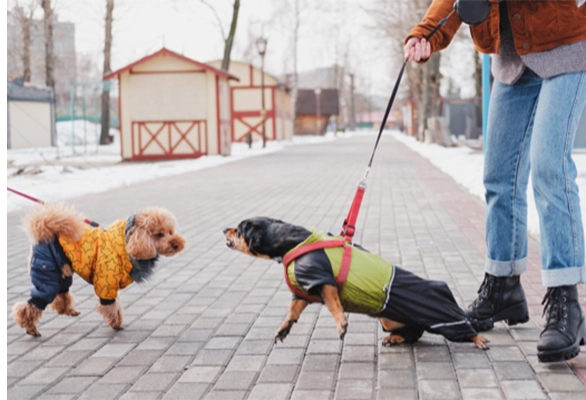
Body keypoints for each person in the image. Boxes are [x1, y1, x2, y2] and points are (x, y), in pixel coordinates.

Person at [404, 0, 586, 362]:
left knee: (550, 164)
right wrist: (426, 32)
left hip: (565, 40)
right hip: (511, 54)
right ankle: (503, 286)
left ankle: (565, 300)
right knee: (499, 175)